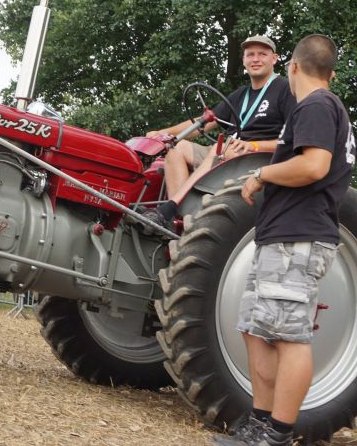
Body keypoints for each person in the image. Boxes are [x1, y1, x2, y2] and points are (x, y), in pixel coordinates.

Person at [215, 35, 355, 446]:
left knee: (288, 336)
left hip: (300, 235)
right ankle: (260, 421)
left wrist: (261, 175)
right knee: (255, 328)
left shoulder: (316, 105)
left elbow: (313, 166)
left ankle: (277, 432)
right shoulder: (326, 108)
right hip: (281, 233)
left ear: (292, 67)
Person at [143, 36, 295, 230]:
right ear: (244, 61)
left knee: (220, 147)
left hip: (257, 157)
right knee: (177, 149)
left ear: (274, 59)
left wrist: (254, 145)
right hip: (229, 152)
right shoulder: (241, 94)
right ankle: (178, 220)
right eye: (250, 55)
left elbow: (291, 139)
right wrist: (162, 133)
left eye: (262, 54)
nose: (255, 59)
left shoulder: (285, 89)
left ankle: (169, 209)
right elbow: (203, 123)